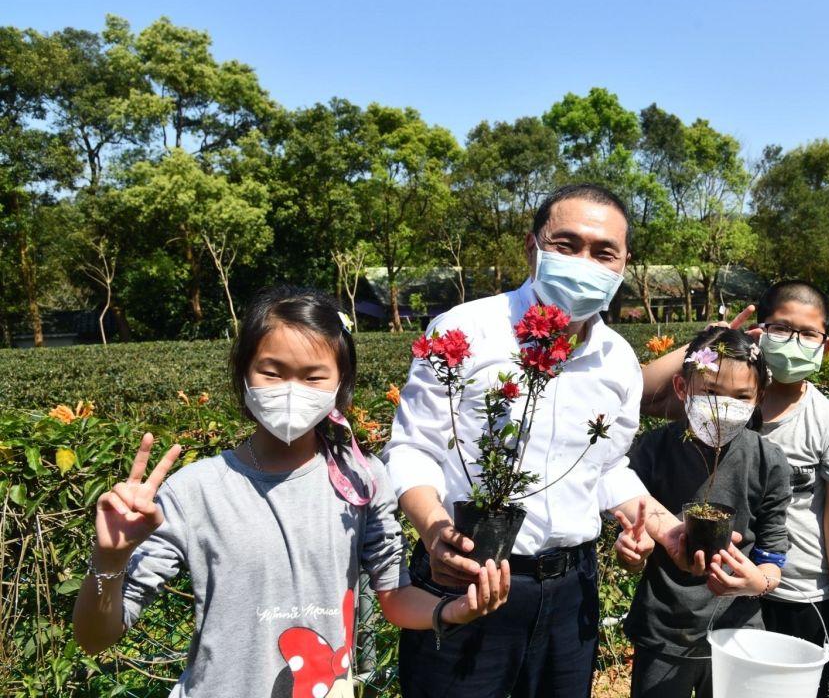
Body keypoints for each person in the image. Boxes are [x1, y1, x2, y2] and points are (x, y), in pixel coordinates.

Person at [72, 286, 509, 698]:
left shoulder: (362, 480)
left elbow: (394, 596)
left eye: (313, 376)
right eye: (272, 371)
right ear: (244, 373)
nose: (290, 390)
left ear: (341, 384)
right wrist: (109, 559)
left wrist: (450, 611)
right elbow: (96, 637)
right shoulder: (194, 490)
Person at [384, 184, 695, 698]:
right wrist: (434, 527)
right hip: (466, 578)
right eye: (565, 245)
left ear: (623, 265)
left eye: (603, 252)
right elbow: (412, 448)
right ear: (532, 249)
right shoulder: (466, 330)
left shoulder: (617, 361)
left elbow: (608, 467)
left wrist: (666, 531)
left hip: (571, 593)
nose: (584, 262)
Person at [642, 281, 829, 698]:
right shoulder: (714, 404)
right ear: (759, 332)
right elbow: (640, 395)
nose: (794, 342)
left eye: (809, 334)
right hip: (722, 603)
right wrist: (709, 344)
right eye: (781, 329)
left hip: (801, 597)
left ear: (825, 342)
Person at [617, 326, 790, 698]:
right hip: (665, 632)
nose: (722, 407)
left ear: (759, 397)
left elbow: (773, 553)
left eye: (741, 396)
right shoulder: (652, 450)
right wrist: (631, 556)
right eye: (711, 392)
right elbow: (633, 533)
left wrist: (757, 582)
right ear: (683, 389)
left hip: (737, 632)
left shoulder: (768, 461)